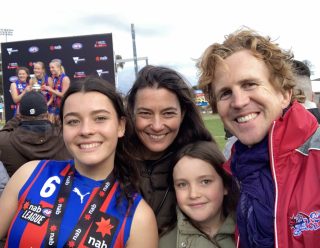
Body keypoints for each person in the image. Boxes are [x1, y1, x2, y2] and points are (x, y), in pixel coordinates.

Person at [197, 27, 320, 247]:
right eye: (225, 93)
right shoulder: (232, 174)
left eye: (249, 84)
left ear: (284, 94)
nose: (239, 101)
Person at [0, 77, 158, 247]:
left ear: (121, 126)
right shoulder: (29, 174)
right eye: (73, 121)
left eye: (100, 118)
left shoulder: (139, 217)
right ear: (62, 128)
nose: (85, 130)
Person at [126, 65, 214, 235]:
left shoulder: (204, 161)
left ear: (182, 114)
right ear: (131, 112)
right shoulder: (113, 160)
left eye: (168, 113)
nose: (157, 126)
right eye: (145, 113)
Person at [159, 141, 239, 248]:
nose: (193, 194)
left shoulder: (250, 233)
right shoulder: (164, 243)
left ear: (225, 185)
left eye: (205, 182)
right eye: (182, 184)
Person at [0, 91, 72, 177]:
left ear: (20, 114)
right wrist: (57, 120)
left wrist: (17, 118)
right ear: (46, 113)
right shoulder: (65, 137)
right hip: (58, 189)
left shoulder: (5, 141)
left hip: (21, 189)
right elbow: (69, 126)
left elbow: (4, 131)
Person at [46, 58, 71, 125]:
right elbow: (54, 94)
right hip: (54, 106)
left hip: (62, 106)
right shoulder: (53, 78)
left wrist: (50, 89)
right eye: (50, 68)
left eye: (52, 67)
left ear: (58, 67)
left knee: (60, 127)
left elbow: (64, 95)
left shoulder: (65, 78)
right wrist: (48, 104)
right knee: (50, 124)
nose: (51, 69)